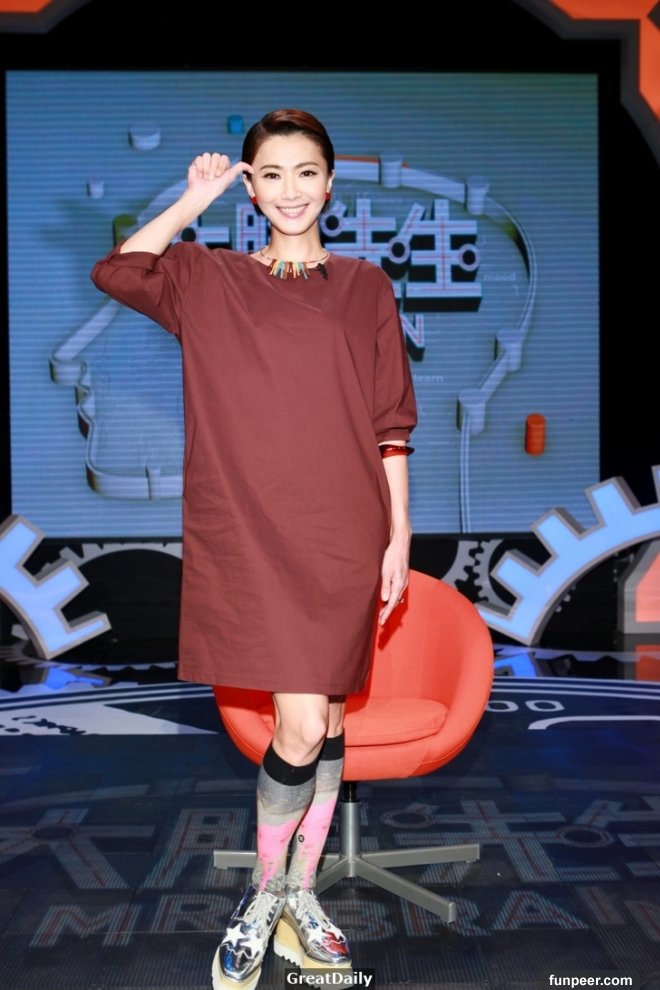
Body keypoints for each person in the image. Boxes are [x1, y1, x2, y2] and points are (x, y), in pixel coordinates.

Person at [91, 109, 417, 990]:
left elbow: (390, 425)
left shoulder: (366, 286)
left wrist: (398, 534)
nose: (290, 190)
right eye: (270, 174)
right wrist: (189, 202)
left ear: (330, 183)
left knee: (331, 721)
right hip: (255, 535)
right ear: (250, 186)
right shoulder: (211, 278)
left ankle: (299, 900)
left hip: (346, 531)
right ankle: (265, 897)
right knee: (300, 726)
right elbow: (117, 271)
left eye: (306, 172)